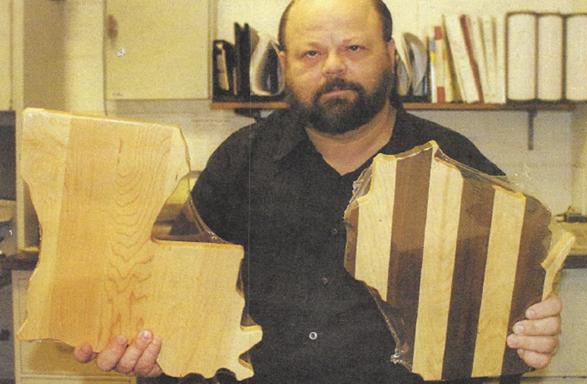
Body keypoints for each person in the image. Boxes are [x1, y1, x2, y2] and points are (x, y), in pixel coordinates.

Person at [74, 0, 562, 383]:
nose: (333, 67)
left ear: (389, 55)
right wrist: (150, 350)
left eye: (354, 48)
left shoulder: (458, 165)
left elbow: (509, 307)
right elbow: (174, 303)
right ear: (284, 63)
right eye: (312, 52)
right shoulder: (239, 162)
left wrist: (531, 330)